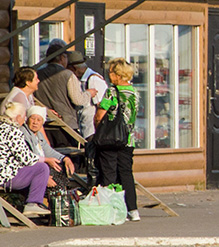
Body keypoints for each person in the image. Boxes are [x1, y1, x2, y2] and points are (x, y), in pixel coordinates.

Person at [0, 101, 51, 219]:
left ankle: (32, 206)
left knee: (35, 170)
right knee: (42, 168)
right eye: (25, 117)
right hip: (2, 177)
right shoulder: (12, 130)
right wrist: (46, 159)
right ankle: (33, 203)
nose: (24, 120)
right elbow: (26, 158)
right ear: (18, 117)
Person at [94, 58, 141, 221]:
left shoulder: (111, 92)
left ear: (118, 74)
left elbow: (100, 115)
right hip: (128, 139)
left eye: (111, 72)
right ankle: (133, 210)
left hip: (110, 138)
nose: (109, 74)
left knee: (109, 173)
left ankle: (112, 209)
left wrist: (98, 130)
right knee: (126, 173)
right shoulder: (134, 92)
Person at [37, 42, 92, 141]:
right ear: (62, 58)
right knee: (68, 155)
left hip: (44, 123)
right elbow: (78, 100)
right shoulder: (67, 74)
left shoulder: (38, 74)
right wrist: (89, 93)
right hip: (66, 125)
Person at [25, 104, 78, 189]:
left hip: (42, 168)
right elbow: (28, 158)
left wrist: (65, 158)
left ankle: (61, 197)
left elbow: (48, 151)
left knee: (61, 168)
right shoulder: (24, 134)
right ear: (27, 120)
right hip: (32, 170)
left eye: (39, 120)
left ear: (42, 122)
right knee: (56, 180)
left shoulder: (39, 135)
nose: (35, 122)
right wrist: (44, 177)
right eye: (33, 118)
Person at [69, 53, 107, 137]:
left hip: (93, 130)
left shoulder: (93, 79)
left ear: (74, 68)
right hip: (85, 128)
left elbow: (101, 107)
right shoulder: (80, 79)